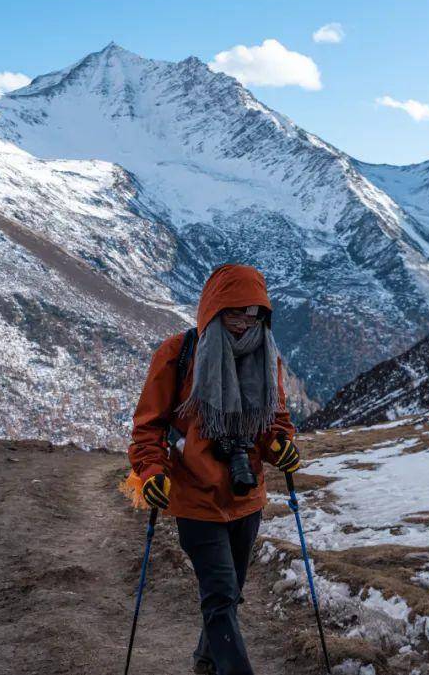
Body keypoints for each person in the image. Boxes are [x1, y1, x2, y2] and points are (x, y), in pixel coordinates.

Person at [124, 263, 302, 675]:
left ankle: (206, 662)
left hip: (246, 498)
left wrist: (282, 447)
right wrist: (152, 472)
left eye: (254, 313)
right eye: (235, 312)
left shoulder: (265, 355)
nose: (244, 322)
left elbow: (275, 423)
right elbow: (148, 426)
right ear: (214, 310)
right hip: (195, 498)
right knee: (220, 596)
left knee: (230, 595)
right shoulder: (177, 353)